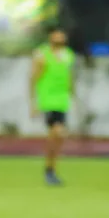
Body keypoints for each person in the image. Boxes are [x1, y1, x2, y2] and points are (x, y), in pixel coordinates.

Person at [30, 27, 75, 186]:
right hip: (48, 100)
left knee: (58, 137)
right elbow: (34, 78)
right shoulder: (42, 55)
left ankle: (51, 169)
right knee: (57, 131)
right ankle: (49, 170)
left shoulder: (68, 55)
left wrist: (72, 92)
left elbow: (69, 75)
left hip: (62, 100)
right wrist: (33, 102)